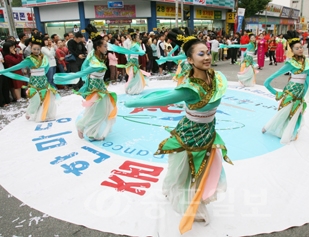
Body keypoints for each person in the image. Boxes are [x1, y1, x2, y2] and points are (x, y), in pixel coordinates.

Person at [125, 28, 232, 234]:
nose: (207, 57)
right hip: (190, 133)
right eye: (201, 54)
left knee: (202, 170)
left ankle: (196, 197)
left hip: (208, 132)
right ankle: (187, 201)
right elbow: (161, 98)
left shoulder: (216, 77)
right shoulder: (189, 88)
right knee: (184, 170)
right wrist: (134, 102)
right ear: (190, 60)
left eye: (208, 52)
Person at [54, 24, 123, 140]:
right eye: (105, 46)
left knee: (97, 110)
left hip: (100, 89)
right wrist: (61, 78)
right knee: (99, 112)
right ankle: (91, 132)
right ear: (98, 48)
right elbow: (81, 73)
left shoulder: (95, 56)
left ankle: (82, 126)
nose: (107, 48)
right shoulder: (95, 63)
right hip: (96, 90)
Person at [262, 31, 309, 144]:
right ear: (292, 50)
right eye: (297, 48)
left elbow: (308, 79)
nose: (300, 49)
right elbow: (267, 81)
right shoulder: (290, 64)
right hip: (290, 91)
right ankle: (268, 127)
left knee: (295, 113)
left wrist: (305, 93)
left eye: (301, 47)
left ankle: (287, 132)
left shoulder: (307, 62)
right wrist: (276, 93)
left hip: (300, 93)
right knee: (284, 111)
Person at [0, 35, 59, 122]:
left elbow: (46, 68)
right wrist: (3, 71)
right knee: (36, 100)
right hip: (34, 83)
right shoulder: (29, 59)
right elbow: (17, 66)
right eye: (34, 49)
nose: (36, 51)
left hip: (43, 82)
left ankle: (44, 114)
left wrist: (42, 76)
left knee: (46, 99)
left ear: (40, 49)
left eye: (38, 49)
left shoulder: (44, 58)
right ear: (31, 48)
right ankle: (29, 112)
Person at [117, 28, 148, 95]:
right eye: (137, 37)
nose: (138, 38)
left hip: (131, 61)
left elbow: (128, 53)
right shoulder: (135, 44)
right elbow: (142, 52)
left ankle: (130, 88)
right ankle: (131, 88)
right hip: (134, 61)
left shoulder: (132, 44)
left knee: (133, 75)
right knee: (134, 76)